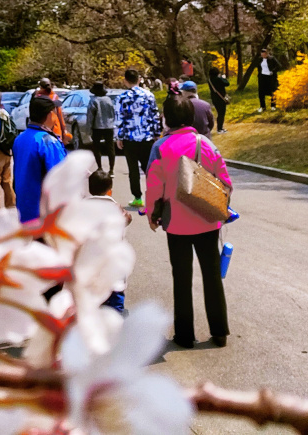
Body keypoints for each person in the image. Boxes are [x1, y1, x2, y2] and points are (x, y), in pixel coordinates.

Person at [145, 94, 232, 349]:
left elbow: (153, 186)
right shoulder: (206, 143)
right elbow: (225, 181)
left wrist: (152, 215)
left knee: (181, 278)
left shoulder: (160, 147)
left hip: (177, 224)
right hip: (207, 220)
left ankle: (185, 335)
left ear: (167, 118)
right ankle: (219, 332)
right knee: (212, 276)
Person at [12, 94, 67, 223]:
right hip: (45, 214)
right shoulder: (47, 141)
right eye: (54, 113)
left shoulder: (20, 138)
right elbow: (60, 178)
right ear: (49, 115)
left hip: (24, 209)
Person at [115, 68, 162, 210]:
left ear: (125, 80)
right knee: (149, 168)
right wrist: (156, 134)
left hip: (129, 138)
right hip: (147, 137)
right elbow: (154, 115)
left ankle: (137, 197)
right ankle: (153, 196)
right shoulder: (148, 95)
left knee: (133, 169)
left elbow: (119, 118)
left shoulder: (122, 97)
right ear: (139, 79)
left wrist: (119, 137)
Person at [87, 168, 130, 314]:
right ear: (109, 190)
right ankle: (116, 313)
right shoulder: (116, 207)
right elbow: (126, 220)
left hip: (90, 257)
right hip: (113, 257)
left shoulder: (83, 207)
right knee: (116, 286)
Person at [86, 82, 118, 172]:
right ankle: (111, 169)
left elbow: (90, 116)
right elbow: (113, 113)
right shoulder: (108, 100)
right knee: (110, 148)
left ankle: (100, 167)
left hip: (97, 127)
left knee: (97, 148)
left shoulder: (93, 100)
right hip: (109, 126)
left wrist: (89, 129)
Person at [37, 77, 72, 146]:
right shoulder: (54, 97)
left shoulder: (37, 97)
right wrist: (64, 130)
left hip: (41, 130)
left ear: (40, 87)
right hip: (55, 130)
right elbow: (60, 115)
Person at [255, 48, 280, 113]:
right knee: (261, 92)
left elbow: (279, 66)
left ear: (267, 53)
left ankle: (273, 106)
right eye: (262, 54)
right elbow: (258, 67)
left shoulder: (272, 59)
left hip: (270, 77)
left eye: (264, 54)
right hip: (262, 77)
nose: (263, 55)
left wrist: (273, 71)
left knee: (272, 91)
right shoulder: (260, 59)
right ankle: (262, 106)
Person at [208, 66, 229, 133]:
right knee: (221, 113)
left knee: (219, 113)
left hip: (214, 97)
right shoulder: (218, 79)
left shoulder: (209, 80)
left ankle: (219, 128)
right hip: (221, 98)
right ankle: (220, 128)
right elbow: (227, 83)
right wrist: (224, 78)